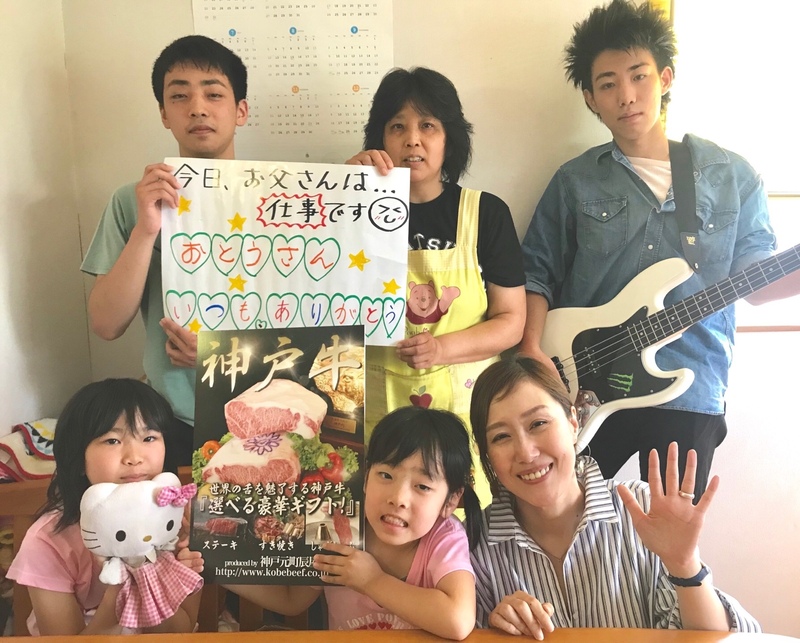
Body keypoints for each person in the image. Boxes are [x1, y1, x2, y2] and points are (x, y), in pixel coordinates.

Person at [519, 0, 800, 499]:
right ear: (590, 98)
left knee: (669, 529)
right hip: (584, 383)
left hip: (690, 385)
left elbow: (756, 282)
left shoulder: (732, 176)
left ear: (665, 78)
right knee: (562, 518)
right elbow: (536, 271)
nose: (626, 96)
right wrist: (532, 353)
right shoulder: (575, 181)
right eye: (608, 84)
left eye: (639, 76)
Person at [468, 355, 760, 636]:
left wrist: (685, 566)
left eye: (538, 424)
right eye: (501, 436)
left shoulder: (643, 509)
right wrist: (493, 631)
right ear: (486, 453)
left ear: (573, 423)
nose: (526, 453)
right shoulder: (472, 542)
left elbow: (724, 637)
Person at [347, 67, 526, 504]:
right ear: (379, 138)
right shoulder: (351, 209)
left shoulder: (485, 213)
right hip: (375, 411)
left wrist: (441, 349)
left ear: (450, 139)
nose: (412, 140)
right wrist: (341, 193)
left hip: (462, 412)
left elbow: (512, 321)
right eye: (397, 127)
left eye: (428, 126)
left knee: (457, 525)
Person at [80, 35, 249, 464]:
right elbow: (106, 324)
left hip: (273, 404)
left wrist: (360, 186)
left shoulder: (286, 200)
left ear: (241, 110)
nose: (197, 108)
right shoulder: (132, 200)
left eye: (214, 93)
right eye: (179, 96)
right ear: (163, 113)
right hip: (171, 418)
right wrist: (146, 229)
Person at [201, 406, 480, 639]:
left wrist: (372, 581)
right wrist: (210, 563)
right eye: (385, 475)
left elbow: (458, 619)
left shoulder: (444, 537)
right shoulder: (335, 522)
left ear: (451, 500)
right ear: (366, 477)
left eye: (422, 486)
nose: (398, 499)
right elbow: (291, 600)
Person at [6, 379, 201, 635]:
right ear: (78, 458)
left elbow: (178, 632)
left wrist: (156, 578)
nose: (134, 457)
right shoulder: (48, 541)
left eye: (149, 437)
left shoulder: (179, 520)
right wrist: (119, 592)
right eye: (112, 441)